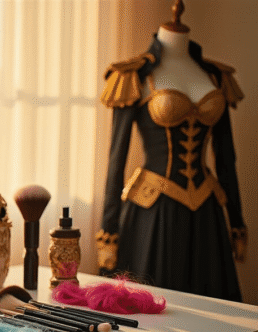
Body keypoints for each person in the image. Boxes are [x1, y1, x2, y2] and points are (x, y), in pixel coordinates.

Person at [97, 16, 246, 301]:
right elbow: (116, 160)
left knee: (214, 313)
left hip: (207, 213)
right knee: (155, 315)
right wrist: (108, 232)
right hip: (153, 212)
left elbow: (227, 159)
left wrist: (237, 224)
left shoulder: (217, 76)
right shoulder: (134, 74)